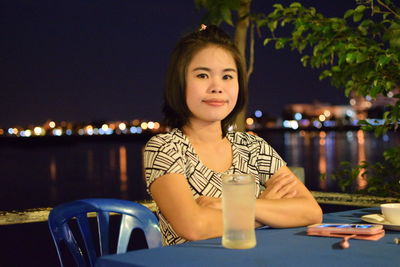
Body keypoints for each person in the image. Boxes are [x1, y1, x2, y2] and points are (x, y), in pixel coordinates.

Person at [143, 25, 322, 246]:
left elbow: (310, 211)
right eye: (202, 75)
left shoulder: (252, 146)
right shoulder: (165, 148)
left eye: (227, 76)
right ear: (179, 83)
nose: (217, 86)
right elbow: (194, 226)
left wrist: (242, 205)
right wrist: (266, 211)